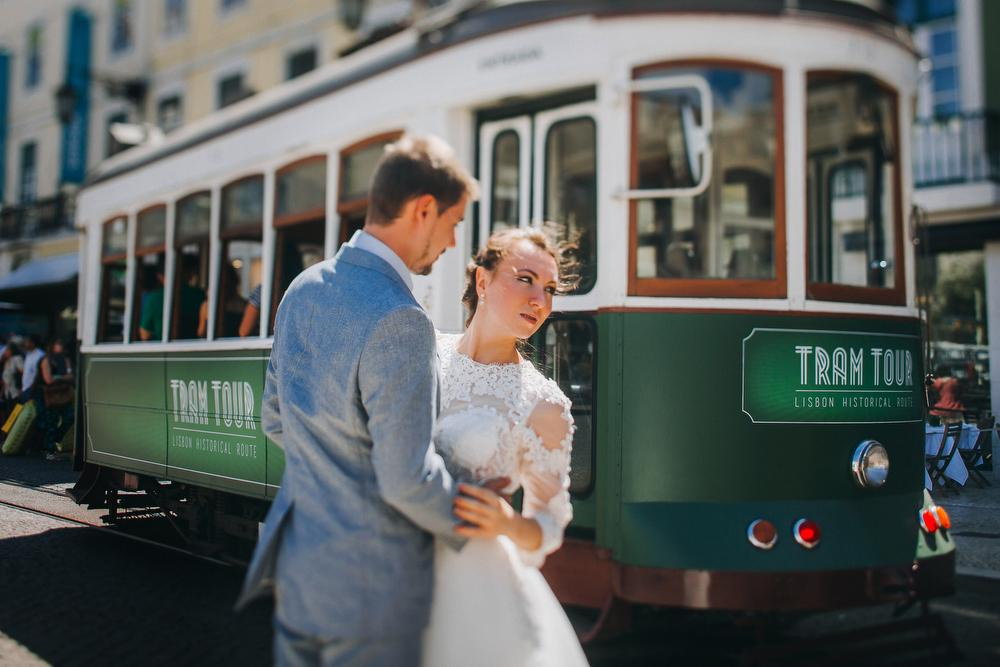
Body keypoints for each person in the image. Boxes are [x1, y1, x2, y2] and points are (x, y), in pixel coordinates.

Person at [236, 135, 481, 665]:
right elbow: (407, 480)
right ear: (423, 209)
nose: (453, 241)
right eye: (454, 223)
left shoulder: (302, 288)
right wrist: (485, 518)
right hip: (373, 589)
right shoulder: (401, 319)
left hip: (301, 573)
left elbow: (275, 422)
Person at [423, 228, 588, 667]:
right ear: (482, 282)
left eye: (549, 289)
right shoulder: (422, 352)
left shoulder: (544, 405)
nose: (540, 299)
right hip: (392, 561)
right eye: (526, 279)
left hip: (474, 587)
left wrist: (507, 523)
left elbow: (548, 524)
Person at [33, 339, 74, 459]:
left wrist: (58, 377)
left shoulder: (64, 359)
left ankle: (52, 442)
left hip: (62, 393)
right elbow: (48, 380)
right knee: (50, 421)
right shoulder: (46, 360)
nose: (61, 346)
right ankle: (49, 450)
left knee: (69, 417)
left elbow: (71, 377)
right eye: (58, 344)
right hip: (48, 395)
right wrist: (63, 377)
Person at [19, 334, 44, 403]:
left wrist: (31, 389)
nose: (25, 344)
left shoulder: (40, 355)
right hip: (25, 390)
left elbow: (38, 374)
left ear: (32, 343)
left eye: (27, 342)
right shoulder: (28, 354)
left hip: (33, 392)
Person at [1, 340, 24, 412]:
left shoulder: (17, 359)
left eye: (8, 350)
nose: (6, 352)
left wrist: (21, 387)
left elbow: (22, 373)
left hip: (15, 392)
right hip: (7, 393)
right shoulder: (7, 361)